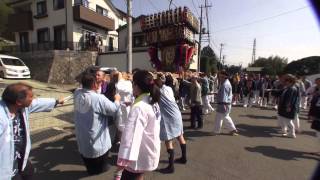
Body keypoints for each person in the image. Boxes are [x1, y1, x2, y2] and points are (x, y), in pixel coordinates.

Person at [0, 82, 65, 180]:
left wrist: (56, 101)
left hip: (20, 158)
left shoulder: (19, 107)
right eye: (31, 97)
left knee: (29, 172)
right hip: (6, 164)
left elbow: (37, 103)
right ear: (19, 102)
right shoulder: (1, 118)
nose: (34, 98)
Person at [115, 70, 161, 180]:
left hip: (138, 155)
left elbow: (130, 138)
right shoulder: (150, 99)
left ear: (136, 85)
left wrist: (121, 165)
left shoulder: (139, 107)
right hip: (149, 148)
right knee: (139, 176)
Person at [74, 73, 121, 175]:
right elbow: (113, 110)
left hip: (82, 135)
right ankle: (99, 171)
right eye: (98, 81)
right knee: (100, 163)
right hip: (96, 138)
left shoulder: (77, 93)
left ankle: (92, 170)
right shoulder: (98, 98)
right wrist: (117, 100)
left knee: (87, 157)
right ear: (94, 84)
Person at [155, 73, 187, 174]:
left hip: (168, 117)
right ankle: (184, 158)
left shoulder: (158, 91)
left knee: (168, 140)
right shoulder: (168, 88)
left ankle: (171, 167)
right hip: (177, 114)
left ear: (159, 81)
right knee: (180, 136)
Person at [213, 70, 238, 136]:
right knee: (224, 117)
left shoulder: (225, 84)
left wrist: (223, 104)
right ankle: (232, 129)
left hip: (223, 104)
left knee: (220, 117)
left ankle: (216, 131)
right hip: (225, 104)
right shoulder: (225, 83)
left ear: (224, 76)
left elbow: (224, 96)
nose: (219, 78)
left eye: (220, 76)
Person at [277, 74, 300, 138]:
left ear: (291, 82)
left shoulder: (292, 89)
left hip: (289, 107)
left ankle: (292, 133)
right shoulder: (289, 88)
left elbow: (290, 99)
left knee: (288, 121)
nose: (285, 82)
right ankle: (288, 132)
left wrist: (288, 107)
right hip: (285, 107)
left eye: (287, 81)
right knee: (284, 119)